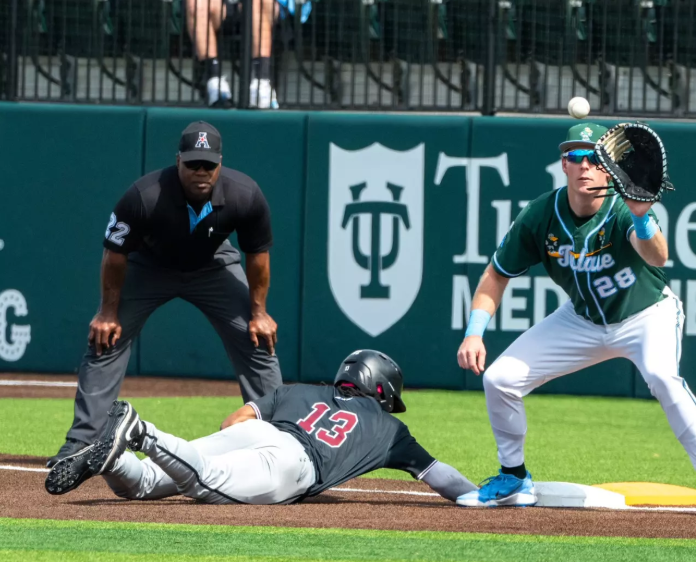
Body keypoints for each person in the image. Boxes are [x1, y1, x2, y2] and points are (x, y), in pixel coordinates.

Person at [454, 123, 696, 518]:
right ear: (563, 165)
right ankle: (515, 478)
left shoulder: (625, 206)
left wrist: (642, 216)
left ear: (608, 167)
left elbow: (658, 257)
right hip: (582, 320)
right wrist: (474, 333)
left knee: (662, 376)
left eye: (594, 157)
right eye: (575, 157)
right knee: (500, 379)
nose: (584, 165)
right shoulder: (541, 214)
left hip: (646, 314)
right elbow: (496, 274)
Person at [47, 121, 283, 469]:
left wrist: (259, 311)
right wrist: (108, 311)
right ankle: (84, 442)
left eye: (208, 165)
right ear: (178, 162)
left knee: (257, 337)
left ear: (220, 163)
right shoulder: (146, 195)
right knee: (105, 338)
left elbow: (258, 256)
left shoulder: (244, 194)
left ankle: (280, 438)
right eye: (193, 164)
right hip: (150, 266)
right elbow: (115, 254)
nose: (201, 172)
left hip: (213, 266)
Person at [45, 350, 479, 506]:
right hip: (294, 464)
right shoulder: (389, 430)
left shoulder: (297, 390)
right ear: (381, 390)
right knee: (203, 484)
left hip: (259, 434)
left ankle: (114, 458)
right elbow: (438, 476)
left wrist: (243, 446)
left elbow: (233, 422)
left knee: (144, 485)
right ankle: (142, 433)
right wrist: (477, 495)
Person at [183, 0, 310, 109]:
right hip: (227, 8)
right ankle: (214, 82)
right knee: (195, 3)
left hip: (273, 8)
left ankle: (262, 82)